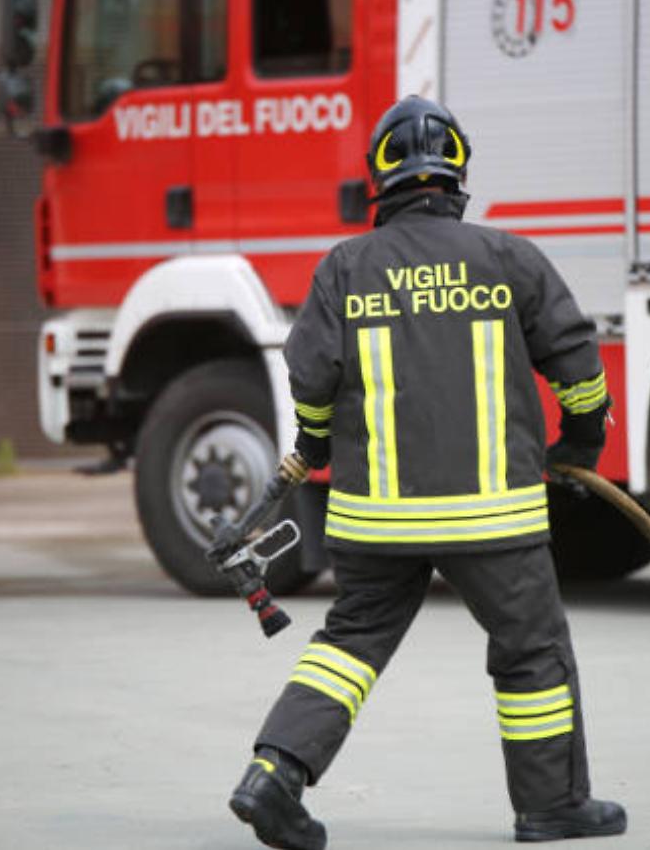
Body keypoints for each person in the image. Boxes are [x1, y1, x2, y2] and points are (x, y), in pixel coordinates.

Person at [226, 96, 626, 848]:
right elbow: (579, 369)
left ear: (381, 182)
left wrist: (315, 446)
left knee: (348, 644)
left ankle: (272, 775)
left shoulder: (344, 268)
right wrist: (578, 445)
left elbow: (309, 380)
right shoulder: (509, 258)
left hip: (375, 521)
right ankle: (553, 804)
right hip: (494, 519)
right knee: (532, 649)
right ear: (458, 174)